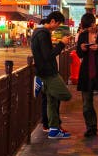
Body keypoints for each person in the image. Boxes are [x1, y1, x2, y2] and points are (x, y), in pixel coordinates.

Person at [31, 11, 73, 139]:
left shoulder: (39, 33)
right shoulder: (43, 34)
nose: (57, 27)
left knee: (52, 101)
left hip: (45, 71)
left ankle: (54, 129)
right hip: (48, 73)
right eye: (58, 24)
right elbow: (48, 55)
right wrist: (62, 44)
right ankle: (40, 83)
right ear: (53, 21)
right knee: (65, 95)